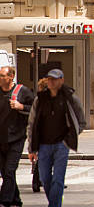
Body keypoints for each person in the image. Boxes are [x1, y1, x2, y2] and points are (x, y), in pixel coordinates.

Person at [27, 68, 85, 207]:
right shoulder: (40, 99)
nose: (51, 82)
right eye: (49, 79)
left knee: (58, 179)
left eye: (54, 79)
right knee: (45, 178)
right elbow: (32, 122)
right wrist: (31, 148)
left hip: (61, 145)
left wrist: (70, 137)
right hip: (43, 145)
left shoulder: (69, 97)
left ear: (61, 80)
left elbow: (81, 121)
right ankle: (55, 202)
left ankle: (55, 205)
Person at [0, 65, 34, 207]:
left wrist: (21, 107)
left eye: (2, 76)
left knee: (9, 170)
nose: (0, 79)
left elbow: (35, 108)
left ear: (11, 76)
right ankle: (16, 200)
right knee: (6, 172)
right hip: (0, 139)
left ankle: (4, 201)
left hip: (17, 138)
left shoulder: (22, 91)